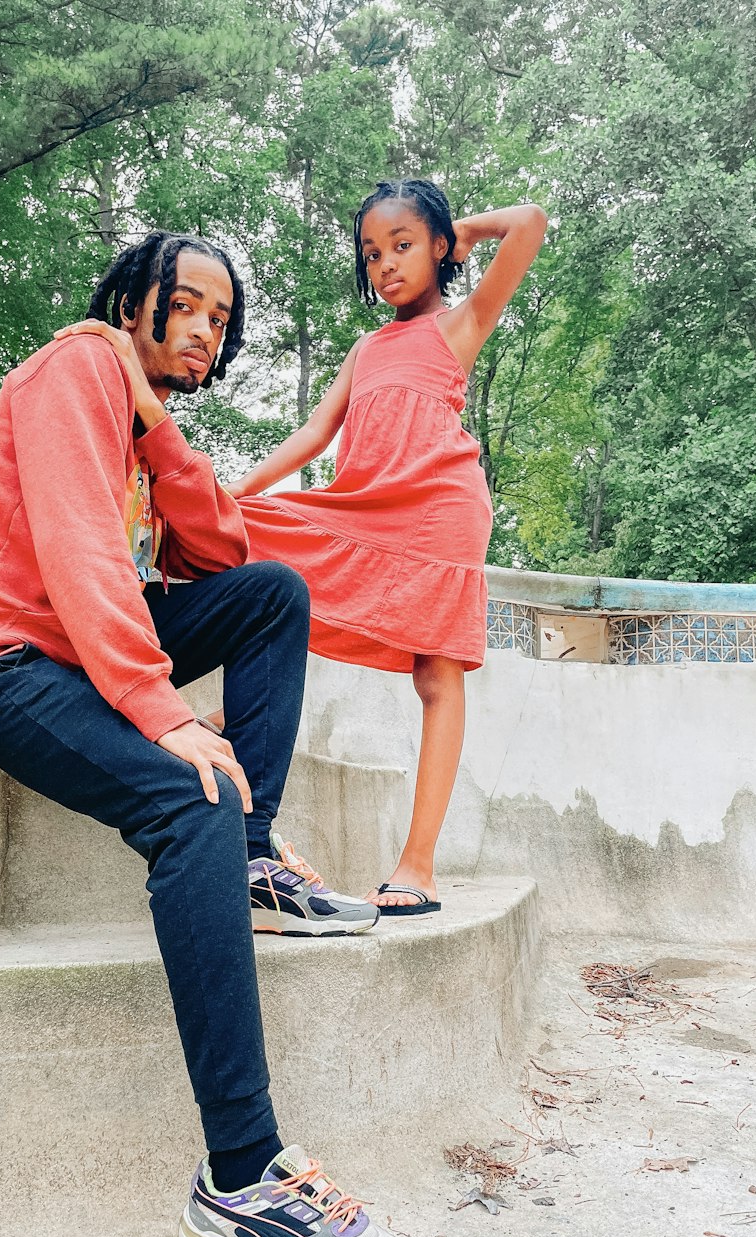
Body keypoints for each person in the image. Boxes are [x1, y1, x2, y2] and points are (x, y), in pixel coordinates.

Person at [0, 230, 426, 1237]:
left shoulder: (135, 420)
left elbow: (218, 554)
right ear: (133, 299)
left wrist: (161, 424)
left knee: (273, 593)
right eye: (187, 304)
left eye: (221, 320)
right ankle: (240, 1182)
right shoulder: (75, 364)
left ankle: (258, 856)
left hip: (63, 643)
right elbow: (83, 547)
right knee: (192, 795)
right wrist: (159, 709)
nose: (204, 329)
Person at [226, 180, 547, 915]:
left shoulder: (461, 324)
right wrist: (234, 491)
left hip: (438, 509)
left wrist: (455, 227)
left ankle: (418, 865)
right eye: (372, 254)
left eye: (403, 246)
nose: (386, 266)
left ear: (437, 247)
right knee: (243, 543)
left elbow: (529, 223)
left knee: (437, 676)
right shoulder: (366, 348)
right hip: (362, 505)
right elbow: (314, 435)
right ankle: (217, 712)